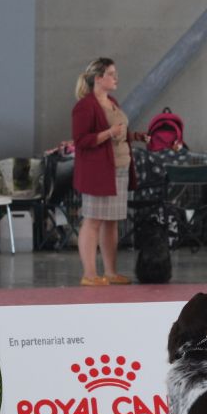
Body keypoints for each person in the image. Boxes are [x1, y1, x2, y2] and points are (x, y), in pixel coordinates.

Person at [71, 58, 147, 286]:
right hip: (98, 173)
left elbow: (119, 133)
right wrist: (109, 133)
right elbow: (81, 140)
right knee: (93, 220)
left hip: (119, 170)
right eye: (111, 74)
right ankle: (89, 274)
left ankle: (111, 272)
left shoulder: (111, 101)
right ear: (98, 78)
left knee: (112, 221)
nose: (116, 78)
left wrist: (138, 137)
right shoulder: (85, 106)